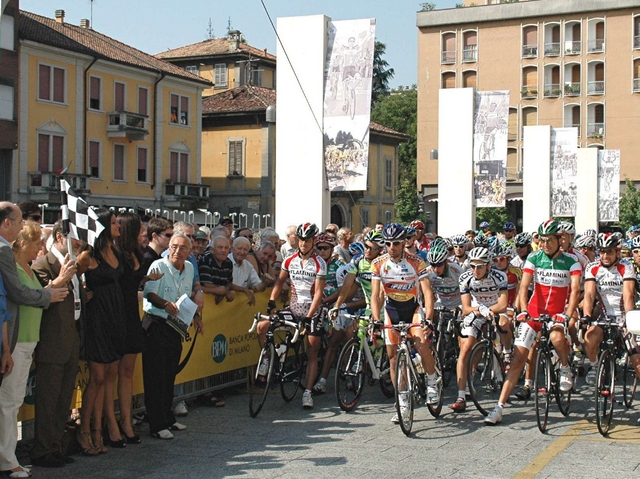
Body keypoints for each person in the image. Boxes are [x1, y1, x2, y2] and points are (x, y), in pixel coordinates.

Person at [485, 220, 581, 425]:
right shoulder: (534, 258)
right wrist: (523, 312)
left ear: (559, 239)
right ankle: (499, 407)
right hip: (534, 313)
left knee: (556, 337)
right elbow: (524, 286)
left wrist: (567, 314)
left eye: (549, 241)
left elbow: (575, 291)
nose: (545, 245)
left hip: (557, 313)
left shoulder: (571, 261)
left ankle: (565, 367)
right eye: (542, 241)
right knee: (518, 360)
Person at [31, 221, 87, 465]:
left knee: (64, 399)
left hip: (71, 338)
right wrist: (63, 278)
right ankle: (42, 450)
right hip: (52, 341)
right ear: (58, 237)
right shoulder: (44, 265)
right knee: (48, 399)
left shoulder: (74, 266)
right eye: (74, 239)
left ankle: (55, 446)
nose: (79, 244)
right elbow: (42, 297)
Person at [371, 223, 439, 423]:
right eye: (389, 243)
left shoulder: (417, 262)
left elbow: (427, 292)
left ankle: (432, 382)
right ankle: (401, 401)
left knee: (420, 343)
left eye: (397, 243)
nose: (392, 247)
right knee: (392, 358)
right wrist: (376, 320)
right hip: (392, 310)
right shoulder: (378, 263)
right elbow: (376, 296)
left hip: (413, 309)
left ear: (404, 243)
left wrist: (429, 318)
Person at [1, 222, 52, 474]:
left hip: (27, 341)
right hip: (16, 340)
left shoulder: (28, 269)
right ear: (22, 243)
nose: (40, 247)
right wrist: (49, 294)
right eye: (36, 242)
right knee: (8, 402)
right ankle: (7, 461)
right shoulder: (15, 269)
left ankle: (8, 458)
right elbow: (20, 298)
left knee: (13, 400)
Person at [142, 233, 204, 439]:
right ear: (169, 247)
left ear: (189, 251)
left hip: (175, 326)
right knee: (155, 376)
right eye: (174, 247)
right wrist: (165, 304)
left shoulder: (189, 268)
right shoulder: (158, 266)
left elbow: (187, 295)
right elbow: (149, 293)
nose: (177, 251)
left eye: (183, 248)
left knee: (170, 373)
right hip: (156, 323)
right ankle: (156, 424)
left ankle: (167, 417)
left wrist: (196, 315)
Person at [79, 208, 127, 451]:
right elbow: (73, 279)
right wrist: (82, 294)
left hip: (115, 316)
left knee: (109, 376)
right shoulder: (88, 255)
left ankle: (99, 430)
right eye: (114, 222)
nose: (118, 225)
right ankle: (85, 430)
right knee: (97, 378)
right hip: (97, 318)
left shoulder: (115, 251)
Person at [264, 223, 326, 410]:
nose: (304, 244)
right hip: (293, 307)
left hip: (312, 309)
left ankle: (307, 393)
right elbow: (279, 281)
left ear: (313, 241)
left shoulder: (319, 263)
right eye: (301, 240)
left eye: (307, 240)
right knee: (262, 326)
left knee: (312, 350)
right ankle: (269, 361)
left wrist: (309, 316)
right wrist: (272, 301)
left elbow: (318, 294)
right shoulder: (289, 260)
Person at [115, 212, 157, 445]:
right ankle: (113, 422)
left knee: (127, 372)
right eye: (140, 229)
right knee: (109, 374)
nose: (144, 233)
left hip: (132, 315)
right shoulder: (116, 254)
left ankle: (126, 420)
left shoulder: (137, 254)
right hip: (116, 315)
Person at [453, 247, 508, 412]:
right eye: (472, 266)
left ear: (488, 265)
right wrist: (481, 310)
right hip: (476, 311)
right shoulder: (465, 278)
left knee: (505, 323)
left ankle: (508, 353)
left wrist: (491, 311)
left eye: (480, 266)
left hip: (496, 308)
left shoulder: (499, 276)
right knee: (465, 348)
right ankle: (461, 396)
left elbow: (503, 304)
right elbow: (466, 307)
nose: (475, 270)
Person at [581, 233, 635, 385]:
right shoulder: (593, 267)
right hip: (605, 315)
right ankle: (595, 366)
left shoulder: (626, 266)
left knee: (637, 362)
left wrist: (629, 321)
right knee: (589, 338)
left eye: (609, 251)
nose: (605, 255)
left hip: (623, 315)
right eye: (602, 251)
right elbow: (590, 294)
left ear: (617, 252)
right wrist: (586, 315)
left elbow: (628, 296)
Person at [313, 233, 345, 393]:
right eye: (318, 248)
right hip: (316, 308)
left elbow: (342, 290)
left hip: (334, 308)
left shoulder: (339, 266)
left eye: (325, 248)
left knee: (334, 342)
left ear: (332, 249)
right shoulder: (313, 265)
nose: (321, 251)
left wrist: (326, 301)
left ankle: (324, 380)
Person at [229, 237, 266, 305]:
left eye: (245, 249)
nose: (242, 252)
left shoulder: (248, 266)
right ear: (232, 248)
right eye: (239, 248)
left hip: (239, 308)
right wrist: (245, 290)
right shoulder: (225, 261)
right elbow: (226, 284)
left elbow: (257, 287)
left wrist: (264, 282)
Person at [199, 236, 234, 303]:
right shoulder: (205, 260)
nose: (223, 250)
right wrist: (224, 292)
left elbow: (229, 283)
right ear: (212, 250)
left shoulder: (228, 262)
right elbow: (207, 284)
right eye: (220, 247)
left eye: (226, 248)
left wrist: (224, 291)